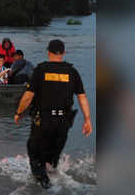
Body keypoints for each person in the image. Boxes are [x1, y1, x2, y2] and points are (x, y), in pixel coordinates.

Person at [13, 40, 92, 189]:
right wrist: (87, 119)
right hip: (63, 123)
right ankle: (54, 179)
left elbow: (28, 96)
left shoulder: (40, 70)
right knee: (52, 158)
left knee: (34, 152)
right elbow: (82, 97)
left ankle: (44, 184)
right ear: (63, 53)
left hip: (44, 121)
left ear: (48, 52)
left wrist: (18, 112)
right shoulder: (72, 72)